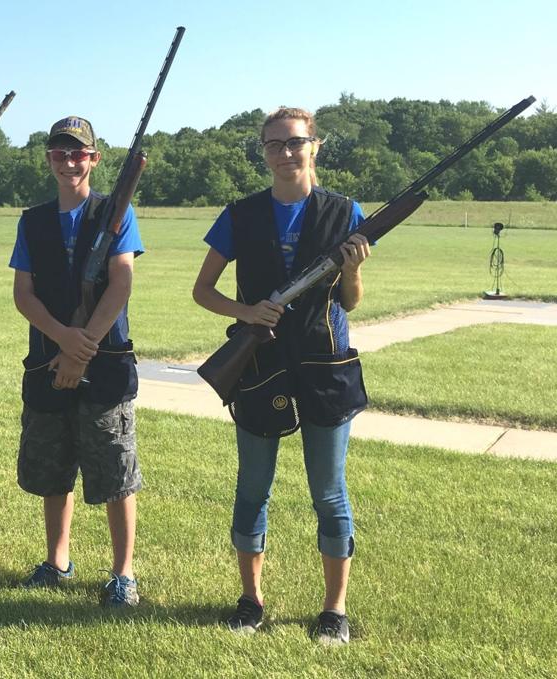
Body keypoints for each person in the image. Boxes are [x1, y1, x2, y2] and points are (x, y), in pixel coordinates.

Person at [191, 107, 371, 645]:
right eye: (274, 144)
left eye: (295, 142)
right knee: (253, 489)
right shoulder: (240, 215)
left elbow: (350, 302)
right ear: (264, 152)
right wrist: (246, 312)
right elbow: (203, 290)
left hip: (324, 363)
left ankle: (334, 611)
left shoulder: (345, 212)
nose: (285, 153)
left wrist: (353, 269)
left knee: (329, 493)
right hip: (260, 363)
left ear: (315, 145)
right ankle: (250, 601)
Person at [9, 117, 145, 607]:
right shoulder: (33, 221)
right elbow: (23, 294)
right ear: (49, 159)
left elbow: (120, 284)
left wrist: (81, 347)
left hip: (105, 364)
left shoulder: (116, 212)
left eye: (79, 153)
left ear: (94, 159)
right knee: (54, 470)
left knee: (115, 474)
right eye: (60, 154)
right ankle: (57, 560)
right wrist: (63, 339)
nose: (69, 162)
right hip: (48, 359)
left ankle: (123, 574)